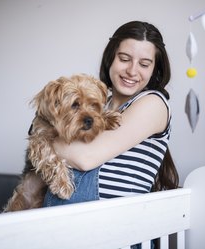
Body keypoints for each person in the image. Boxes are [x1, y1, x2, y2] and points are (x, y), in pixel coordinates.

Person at [43, 20, 179, 208]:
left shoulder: (153, 103)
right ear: (110, 58)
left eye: (144, 64)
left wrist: (42, 137)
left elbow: (85, 158)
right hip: (62, 219)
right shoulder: (98, 106)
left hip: (114, 226)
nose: (132, 71)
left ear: (155, 69)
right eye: (124, 59)